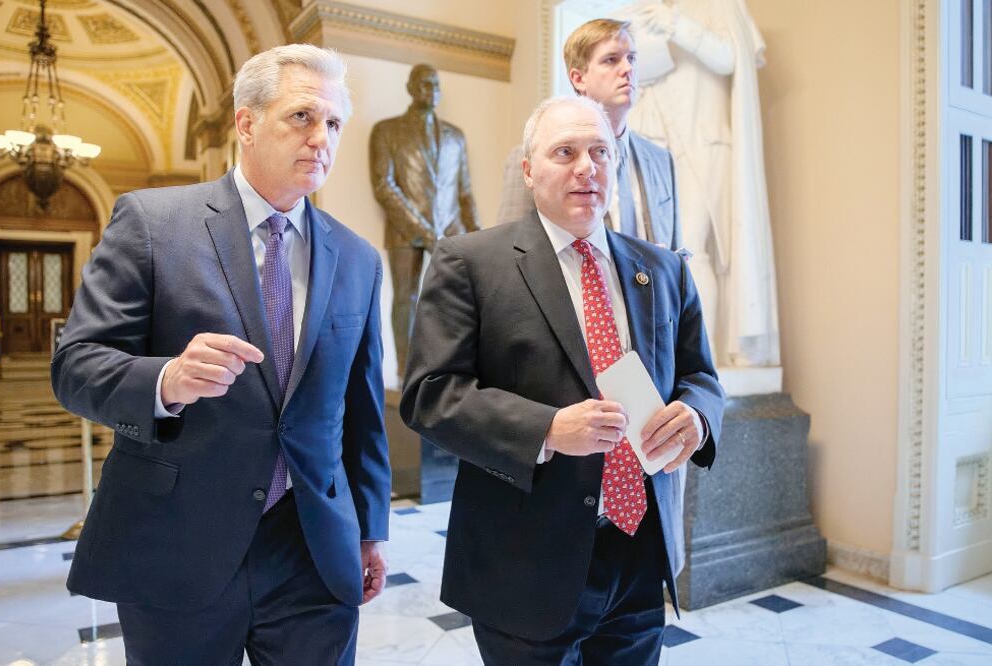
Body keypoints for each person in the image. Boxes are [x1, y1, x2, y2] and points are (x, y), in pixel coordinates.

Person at [51, 44, 391, 664]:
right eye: (302, 117)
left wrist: (370, 529)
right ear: (246, 123)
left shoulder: (359, 258)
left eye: (334, 123)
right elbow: (76, 365)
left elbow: (362, 412)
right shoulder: (155, 224)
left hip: (313, 551)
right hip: (181, 543)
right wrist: (168, 380)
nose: (322, 138)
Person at [401, 96, 724, 664]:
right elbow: (430, 395)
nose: (586, 166)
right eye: (565, 151)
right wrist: (546, 429)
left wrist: (696, 418)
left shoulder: (664, 268)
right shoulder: (469, 262)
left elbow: (700, 374)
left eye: (600, 151)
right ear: (529, 169)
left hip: (639, 552)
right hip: (525, 561)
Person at [619, 0, 780, 367]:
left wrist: (677, 25)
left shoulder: (720, 6)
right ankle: (669, 355)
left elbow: (730, 57)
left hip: (704, 142)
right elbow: (637, 71)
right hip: (655, 142)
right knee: (656, 255)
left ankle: (704, 359)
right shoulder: (642, 10)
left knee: (694, 251)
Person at [496, 19, 682, 253]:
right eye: (611, 60)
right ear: (578, 78)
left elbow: (674, 258)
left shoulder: (660, 160)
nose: (628, 69)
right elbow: (511, 255)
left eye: (631, 58)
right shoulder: (535, 158)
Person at [369, 64, 480, 378]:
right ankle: (405, 370)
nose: (431, 90)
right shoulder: (386, 130)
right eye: (424, 84)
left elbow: (465, 191)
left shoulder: (455, 136)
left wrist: (479, 233)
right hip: (405, 231)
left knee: (457, 297)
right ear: (410, 88)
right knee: (407, 297)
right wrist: (422, 230)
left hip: (450, 227)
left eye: (435, 85)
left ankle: (448, 367)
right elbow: (384, 185)